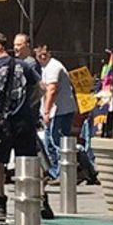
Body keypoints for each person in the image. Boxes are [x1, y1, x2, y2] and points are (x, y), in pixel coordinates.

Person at [0, 32, 43, 215]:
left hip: (1, 123)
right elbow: (39, 89)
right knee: (29, 160)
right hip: (24, 122)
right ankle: (38, 198)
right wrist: (27, 105)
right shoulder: (24, 66)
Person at [34, 43, 77, 182]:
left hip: (60, 111)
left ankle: (62, 174)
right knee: (49, 143)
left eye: (44, 53)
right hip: (55, 112)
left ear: (49, 53)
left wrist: (46, 111)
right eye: (39, 54)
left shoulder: (53, 67)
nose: (42, 56)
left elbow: (51, 90)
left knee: (57, 142)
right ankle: (55, 172)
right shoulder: (45, 67)